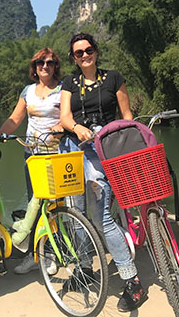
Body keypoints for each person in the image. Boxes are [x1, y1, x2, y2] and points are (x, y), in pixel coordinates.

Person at [59, 33, 147, 313]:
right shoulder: (69, 83)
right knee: (75, 213)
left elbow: (126, 115)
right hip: (73, 150)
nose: (84, 55)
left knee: (100, 216)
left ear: (96, 51)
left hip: (104, 150)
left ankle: (132, 280)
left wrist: (129, 146)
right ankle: (85, 269)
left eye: (88, 50)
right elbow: (64, 117)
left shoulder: (113, 78)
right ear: (73, 58)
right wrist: (76, 128)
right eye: (78, 53)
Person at [0, 47, 63, 274]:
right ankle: (38, 255)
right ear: (34, 68)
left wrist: (62, 126)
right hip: (33, 155)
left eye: (49, 63)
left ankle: (58, 251)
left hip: (58, 154)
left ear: (55, 66)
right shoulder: (28, 91)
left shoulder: (63, 89)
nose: (44, 67)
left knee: (57, 205)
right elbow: (15, 119)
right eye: (40, 63)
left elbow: (69, 116)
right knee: (34, 205)